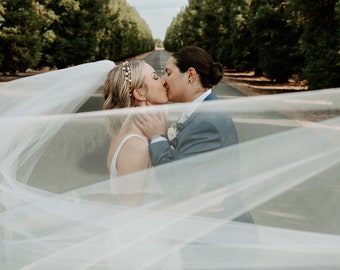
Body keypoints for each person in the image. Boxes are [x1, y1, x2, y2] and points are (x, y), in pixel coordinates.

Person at [136, 46, 238, 165]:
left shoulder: (207, 124)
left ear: (190, 75)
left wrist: (158, 136)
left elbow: (175, 178)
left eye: (168, 73)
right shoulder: (201, 110)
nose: (163, 80)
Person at [102, 60, 168, 205]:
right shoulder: (135, 146)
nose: (163, 81)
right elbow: (128, 211)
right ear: (139, 93)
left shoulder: (128, 134)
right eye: (155, 77)